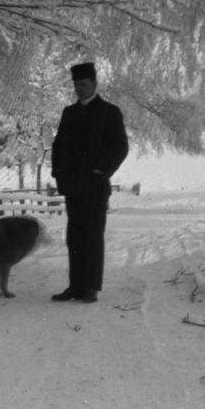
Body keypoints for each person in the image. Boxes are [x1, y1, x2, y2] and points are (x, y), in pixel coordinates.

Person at [49, 62, 129, 304]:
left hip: (95, 187)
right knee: (74, 236)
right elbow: (58, 146)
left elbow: (120, 147)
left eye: (83, 84)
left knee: (92, 236)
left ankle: (90, 287)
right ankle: (75, 285)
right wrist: (58, 173)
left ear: (94, 84)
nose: (79, 89)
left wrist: (100, 171)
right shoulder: (69, 113)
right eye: (75, 85)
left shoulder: (109, 112)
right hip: (73, 187)